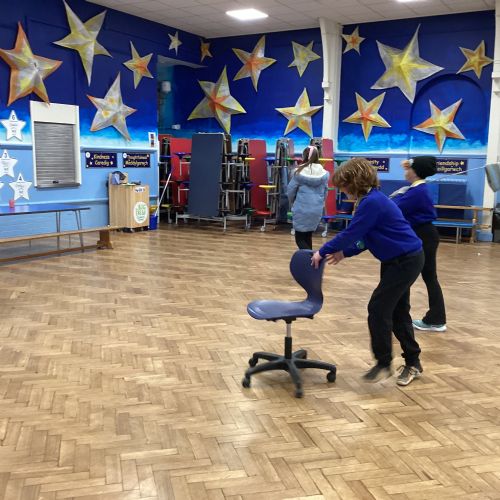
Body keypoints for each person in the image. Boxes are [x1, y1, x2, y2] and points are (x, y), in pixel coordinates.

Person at [311, 158, 424, 386]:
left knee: (378, 308)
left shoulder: (372, 202)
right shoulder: (370, 200)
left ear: (354, 182)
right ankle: (413, 362)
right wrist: (345, 253)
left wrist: (322, 251)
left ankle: (383, 362)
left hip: (405, 261)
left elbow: (351, 233)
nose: (342, 191)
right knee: (398, 312)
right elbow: (365, 238)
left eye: (343, 186)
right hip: (396, 260)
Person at [390, 156, 446, 332]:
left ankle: (435, 319)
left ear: (415, 172)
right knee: (426, 277)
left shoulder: (417, 192)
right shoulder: (415, 189)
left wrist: (397, 195)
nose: (406, 172)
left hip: (424, 235)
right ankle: (435, 318)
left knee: (422, 276)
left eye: (408, 169)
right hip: (422, 234)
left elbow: (394, 208)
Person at [287, 145, 329, 250]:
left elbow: (290, 191)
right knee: (308, 236)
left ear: (304, 156)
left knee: (300, 239)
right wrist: (319, 203)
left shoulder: (298, 172)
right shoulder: (323, 173)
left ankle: (311, 257)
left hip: (301, 208)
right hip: (316, 209)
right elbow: (325, 192)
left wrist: (293, 202)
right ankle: (309, 258)